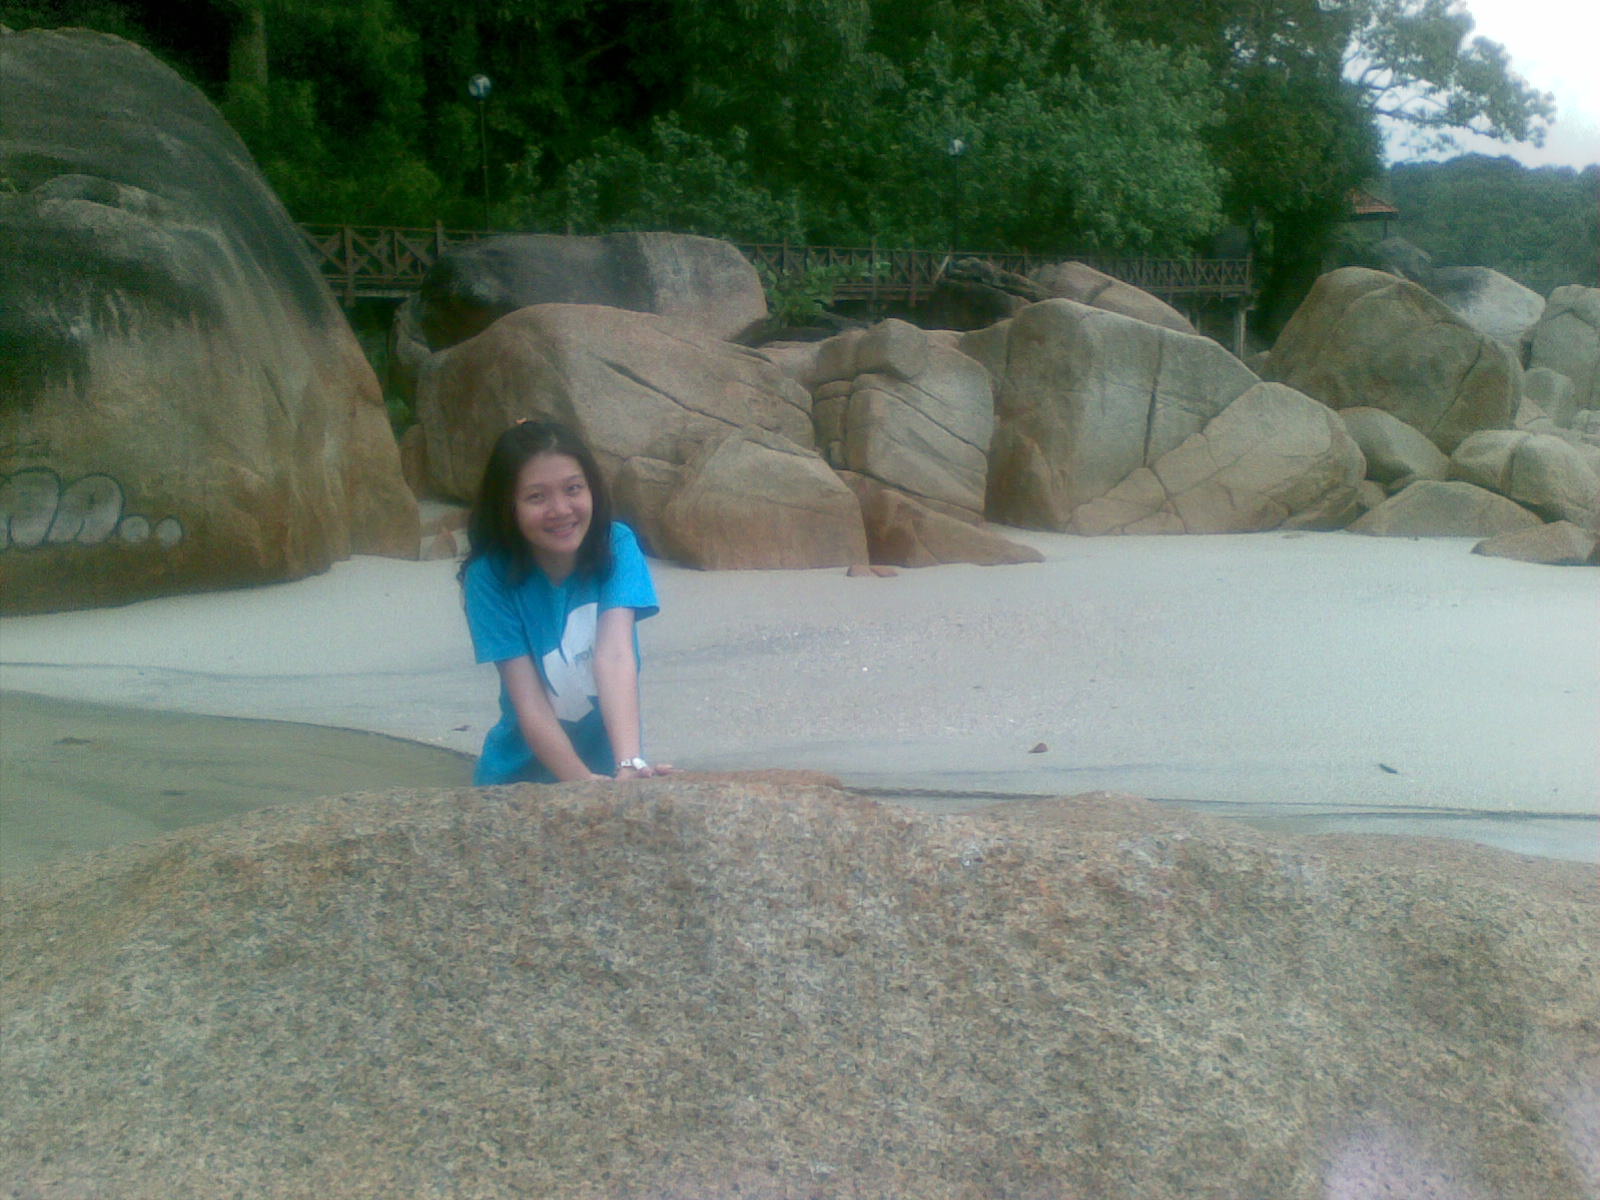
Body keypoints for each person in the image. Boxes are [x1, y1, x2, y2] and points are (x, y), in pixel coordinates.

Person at [460, 419, 668, 784]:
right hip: (517, 779)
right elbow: (530, 701)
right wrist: (581, 783)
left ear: (592, 489)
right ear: (508, 505)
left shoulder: (615, 545)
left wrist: (629, 764)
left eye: (573, 489)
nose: (560, 509)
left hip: (608, 766)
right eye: (536, 497)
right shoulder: (489, 576)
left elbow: (615, 655)